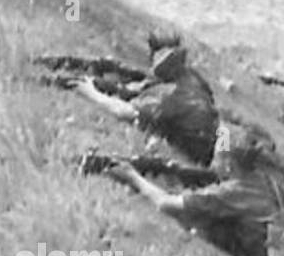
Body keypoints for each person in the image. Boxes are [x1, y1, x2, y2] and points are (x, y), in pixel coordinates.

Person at [65, 32, 220, 166]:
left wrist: (90, 92)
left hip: (189, 155)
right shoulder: (193, 78)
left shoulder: (170, 96)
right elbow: (143, 87)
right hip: (207, 146)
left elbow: (124, 112)